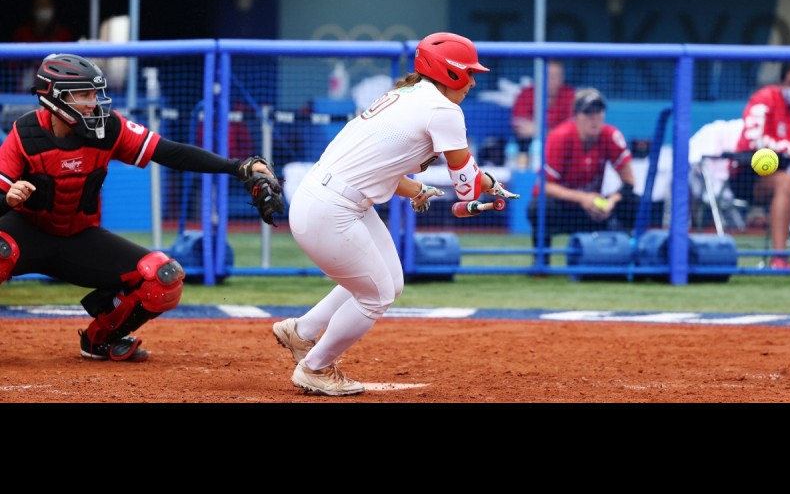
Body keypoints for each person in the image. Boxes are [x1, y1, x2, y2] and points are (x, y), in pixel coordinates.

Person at [271, 31, 520, 396]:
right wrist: (485, 184)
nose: (472, 82)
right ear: (449, 71)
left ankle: (301, 331)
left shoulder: (406, 94)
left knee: (389, 281)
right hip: (331, 209)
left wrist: (420, 189)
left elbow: (379, 168)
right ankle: (315, 367)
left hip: (330, 198)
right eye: (469, 73)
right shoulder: (444, 109)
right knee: (375, 295)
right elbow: (466, 187)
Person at [0, 53, 277, 362]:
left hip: (78, 238)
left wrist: (236, 167)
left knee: (163, 277)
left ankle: (100, 340)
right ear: (55, 96)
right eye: (83, 95)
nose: (93, 103)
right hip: (27, 233)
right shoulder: (25, 134)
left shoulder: (108, 128)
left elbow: (170, 152)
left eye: (94, 93)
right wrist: (7, 199)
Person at [526, 87, 639, 266]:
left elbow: (629, 181)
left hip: (595, 209)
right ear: (576, 116)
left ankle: (627, 258)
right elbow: (544, 186)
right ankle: (541, 261)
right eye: (588, 113)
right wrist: (583, 198)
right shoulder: (560, 136)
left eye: (598, 112)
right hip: (566, 207)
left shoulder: (611, 135)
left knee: (634, 202)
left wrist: (610, 202)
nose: (594, 119)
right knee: (538, 206)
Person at [729, 60, 790, 270]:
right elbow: (753, 140)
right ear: (782, 82)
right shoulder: (765, 98)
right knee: (785, 182)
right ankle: (779, 259)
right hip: (749, 176)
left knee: (787, 181)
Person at [511, 59, 575, 168]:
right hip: (530, 147)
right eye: (548, 75)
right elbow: (519, 127)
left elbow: (573, 130)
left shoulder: (570, 96)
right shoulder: (526, 93)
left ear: (562, 79)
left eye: (555, 77)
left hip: (561, 146)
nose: (550, 80)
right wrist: (553, 131)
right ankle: (525, 173)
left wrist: (538, 130)